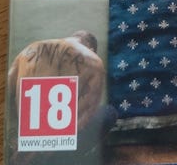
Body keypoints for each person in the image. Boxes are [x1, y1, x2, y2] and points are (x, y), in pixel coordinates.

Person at [7, 31, 117, 165]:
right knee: (109, 111)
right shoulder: (93, 60)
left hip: (25, 144)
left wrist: (16, 141)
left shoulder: (27, 52)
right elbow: (86, 113)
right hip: (54, 151)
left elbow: (8, 96)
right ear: (91, 49)